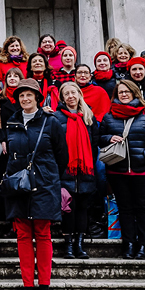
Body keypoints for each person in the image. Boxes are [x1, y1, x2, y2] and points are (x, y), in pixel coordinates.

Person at [3, 78, 67, 290]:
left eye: (30, 95)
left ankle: (45, 288)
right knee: (22, 236)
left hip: (44, 185)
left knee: (43, 234)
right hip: (19, 187)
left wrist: (47, 176)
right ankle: (27, 287)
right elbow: (9, 156)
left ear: (38, 97)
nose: (25, 99)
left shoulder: (51, 122)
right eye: (21, 95)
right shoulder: (11, 123)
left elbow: (62, 157)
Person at [99, 80, 145, 260]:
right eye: (121, 92)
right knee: (125, 208)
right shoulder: (109, 116)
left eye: (127, 91)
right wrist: (108, 138)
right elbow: (98, 138)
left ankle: (143, 246)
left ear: (135, 93)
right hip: (117, 170)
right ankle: (128, 244)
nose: (124, 94)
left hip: (143, 170)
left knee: (142, 207)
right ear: (116, 95)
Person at [56, 82, 98, 260]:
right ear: (62, 98)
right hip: (65, 170)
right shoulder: (56, 117)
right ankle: (69, 245)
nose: (71, 96)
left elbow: (95, 143)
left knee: (82, 208)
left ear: (79, 94)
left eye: (73, 92)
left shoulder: (89, 116)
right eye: (67, 94)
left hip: (85, 170)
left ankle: (80, 244)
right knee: (68, 209)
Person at [0, 67, 23, 148]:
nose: (12, 78)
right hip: (5, 141)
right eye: (9, 76)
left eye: (15, 76)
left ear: (20, 79)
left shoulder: (25, 98)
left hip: (23, 139)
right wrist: (2, 139)